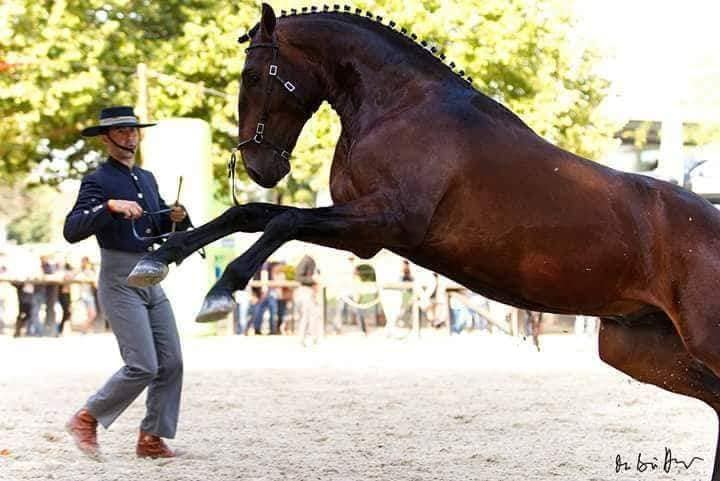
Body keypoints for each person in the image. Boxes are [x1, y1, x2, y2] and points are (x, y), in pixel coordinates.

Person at [63, 106, 191, 459]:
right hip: (119, 278)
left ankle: (151, 439)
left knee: (172, 362)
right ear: (106, 139)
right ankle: (86, 419)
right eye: (121, 131)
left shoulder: (146, 178)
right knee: (143, 365)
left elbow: (160, 225)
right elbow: (72, 228)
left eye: (133, 130)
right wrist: (109, 207)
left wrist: (177, 217)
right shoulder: (97, 180)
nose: (130, 136)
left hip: (151, 274)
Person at [295, 254, 322, 346]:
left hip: (312, 291)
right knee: (307, 315)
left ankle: (313, 338)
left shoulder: (313, 261)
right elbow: (298, 277)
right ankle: (302, 339)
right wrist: (312, 279)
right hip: (306, 290)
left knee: (314, 315)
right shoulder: (306, 260)